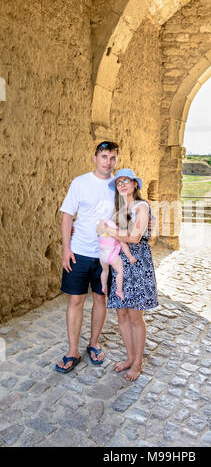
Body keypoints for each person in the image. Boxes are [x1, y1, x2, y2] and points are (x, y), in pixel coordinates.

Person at [55, 141, 119, 373]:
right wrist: (66, 249)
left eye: (112, 158)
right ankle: (73, 350)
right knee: (75, 301)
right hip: (80, 252)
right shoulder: (80, 183)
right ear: (95, 158)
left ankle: (94, 343)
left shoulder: (118, 186)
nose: (108, 162)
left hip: (106, 255)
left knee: (100, 300)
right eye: (104, 156)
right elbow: (66, 216)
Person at [97, 168, 159, 381]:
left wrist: (110, 231)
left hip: (137, 264)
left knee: (134, 315)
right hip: (119, 263)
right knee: (121, 314)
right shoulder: (119, 209)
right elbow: (100, 229)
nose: (122, 184)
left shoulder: (142, 206)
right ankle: (130, 358)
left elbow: (134, 237)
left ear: (135, 184)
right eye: (119, 182)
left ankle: (138, 363)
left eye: (127, 181)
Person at [98, 218, 137, 300]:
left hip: (102, 255)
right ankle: (119, 291)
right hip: (111, 255)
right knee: (120, 272)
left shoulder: (103, 223)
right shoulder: (117, 232)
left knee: (105, 271)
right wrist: (130, 257)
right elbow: (124, 245)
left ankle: (103, 286)